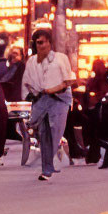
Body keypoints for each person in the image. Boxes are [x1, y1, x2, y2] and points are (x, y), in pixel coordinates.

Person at [22, 29, 75, 181]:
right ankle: (47, 168)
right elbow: (27, 81)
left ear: (49, 42)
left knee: (55, 132)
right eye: (38, 43)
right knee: (43, 133)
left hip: (59, 99)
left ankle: (50, 164)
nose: (41, 45)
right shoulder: (32, 61)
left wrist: (52, 89)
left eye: (43, 42)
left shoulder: (60, 58)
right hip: (41, 100)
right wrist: (33, 94)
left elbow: (67, 81)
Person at [82, 59, 108, 165]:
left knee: (95, 134)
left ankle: (94, 156)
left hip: (97, 109)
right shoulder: (102, 80)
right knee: (95, 134)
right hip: (96, 109)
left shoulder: (100, 80)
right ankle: (94, 155)